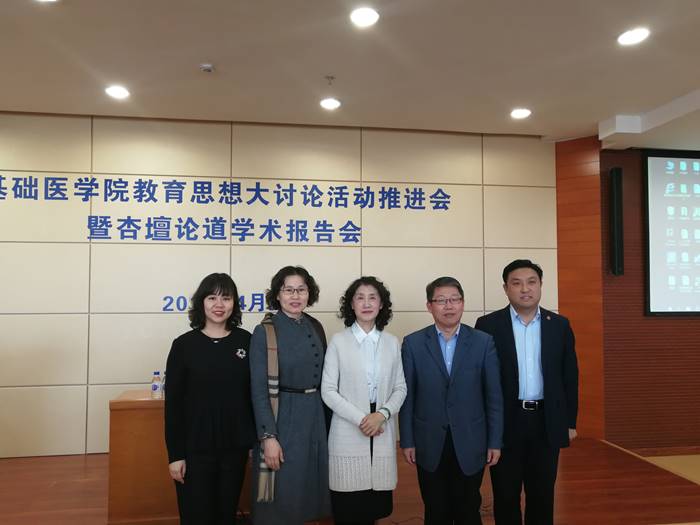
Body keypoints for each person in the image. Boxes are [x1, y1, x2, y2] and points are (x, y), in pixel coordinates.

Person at [475, 259, 579, 525]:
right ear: (506, 288)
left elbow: (569, 376)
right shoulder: (488, 325)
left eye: (531, 282)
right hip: (506, 421)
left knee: (542, 494)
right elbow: (480, 380)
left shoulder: (559, 325)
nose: (525, 289)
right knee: (505, 494)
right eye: (517, 283)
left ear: (541, 285)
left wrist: (569, 422)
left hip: (546, 420)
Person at [399, 276, 503, 525]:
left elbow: (494, 396)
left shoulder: (483, 342)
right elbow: (407, 396)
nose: (449, 306)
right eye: (441, 300)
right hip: (428, 439)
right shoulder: (413, 343)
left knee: (468, 508)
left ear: (463, 303)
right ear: (429, 306)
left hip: (471, 438)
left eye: (455, 299)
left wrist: (495, 441)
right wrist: (407, 440)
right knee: (435, 509)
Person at [164, 273, 255, 525]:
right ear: (201, 302)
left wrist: (252, 441)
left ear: (234, 303)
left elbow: (253, 396)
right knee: (197, 516)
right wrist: (175, 455)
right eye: (212, 298)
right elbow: (173, 406)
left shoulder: (246, 341)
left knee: (226, 514)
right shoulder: (183, 345)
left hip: (234, 448)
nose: (219, 304)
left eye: (226, 298)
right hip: (194, 450)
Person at [249, 265, 332, 525]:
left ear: (309, 293)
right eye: (288, 290)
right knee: (283, 492)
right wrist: (268, 437)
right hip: (282, 417)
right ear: (278, 294)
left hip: (315, 416)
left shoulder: (315, 325)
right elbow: (259, 389)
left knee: (310, 492)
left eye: (301, 290)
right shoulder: (265, 330)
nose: (295, 296)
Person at [321, 276, 407, 525]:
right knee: (348, 510)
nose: (366, 303)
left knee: (374, 510)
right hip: (349, 427)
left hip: (381, 426)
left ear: (381, 304)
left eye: (372, 297)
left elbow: (400, 388)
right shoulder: (339, 341)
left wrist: (382, 415)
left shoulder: (391, 342)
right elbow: (328, 391)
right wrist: (363, 419)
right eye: (360, 297)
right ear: (351, 304)